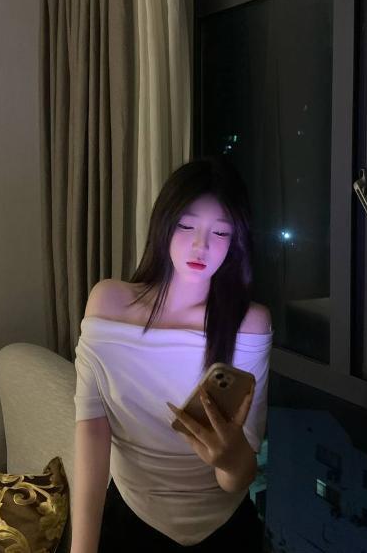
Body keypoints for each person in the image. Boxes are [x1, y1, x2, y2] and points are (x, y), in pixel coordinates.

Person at [70, 155, 273, 552]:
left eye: (220, 232)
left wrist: (230, 459)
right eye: (186, 225)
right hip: (131, 516)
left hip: (225, 529)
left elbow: (238, 476)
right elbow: (92, 431)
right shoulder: (109, 304)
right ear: (163, 224)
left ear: (235, 243)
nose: (201, 245)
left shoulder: (248, 325)